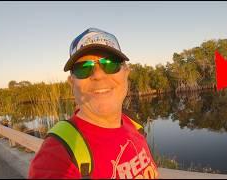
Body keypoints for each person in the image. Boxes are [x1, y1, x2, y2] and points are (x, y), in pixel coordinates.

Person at [28, 28, 159, 179]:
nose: (98, 75)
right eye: (84, 68)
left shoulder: (133, 124)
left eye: (110, 64)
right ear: (72, 83)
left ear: (126, 73)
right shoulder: (57, 155)